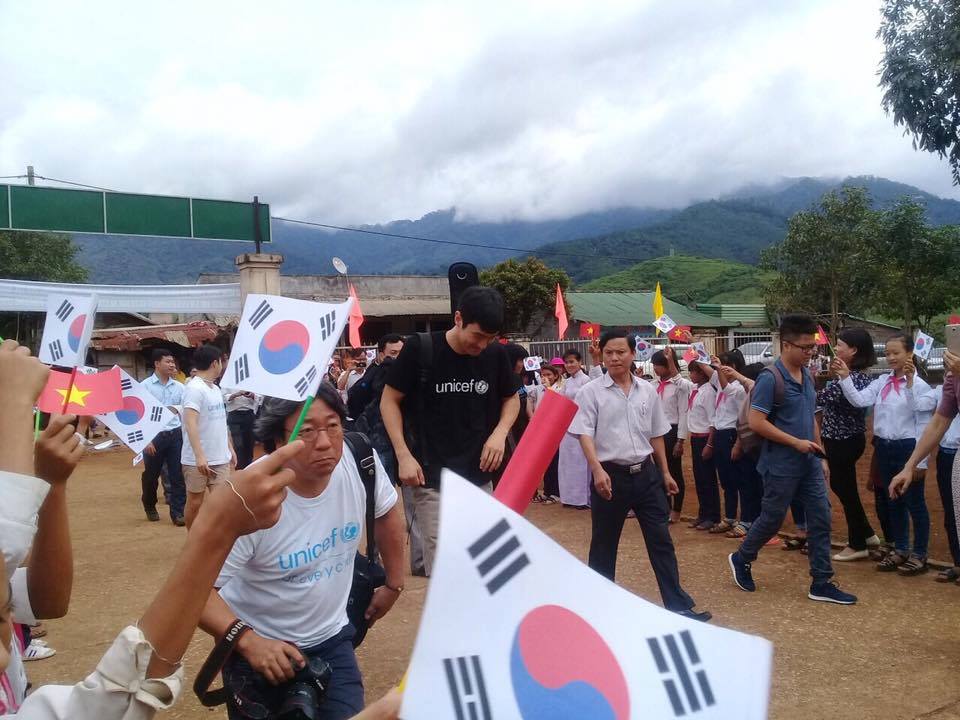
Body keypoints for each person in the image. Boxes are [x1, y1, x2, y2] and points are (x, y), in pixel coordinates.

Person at [200, 383, 404, 720]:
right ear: (277, 442)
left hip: (333, 641)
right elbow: (196, 591)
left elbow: (386, 511)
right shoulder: (250, 499)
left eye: (333, 425)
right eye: (306, 431)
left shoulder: (358, 459)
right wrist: (249, 643)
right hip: (261, 655)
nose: (324, 442)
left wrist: (394, 583)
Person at [569, 330, 711, 621]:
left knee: (661, 541)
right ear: (602, 355)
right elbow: (584, 433)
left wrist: (665, 472)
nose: (614, 358)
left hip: (646, 476)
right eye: (609, 353)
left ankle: (678, 606)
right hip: (610, 477)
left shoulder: (647, 390)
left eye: (620, 352)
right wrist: (596, 469)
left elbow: (656, 433)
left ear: (633, 354)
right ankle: (598, 611)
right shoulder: (591, 392)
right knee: (604, 544)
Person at [380, 286, 520, 577]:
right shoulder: (421, 349)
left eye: (490, 338)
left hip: (479, 477)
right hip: (432, 478)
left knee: (484, 566)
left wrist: (500, 433)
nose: (482, 345)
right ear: (458, 318)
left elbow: (511, 398)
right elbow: (389, 400)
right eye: (477, 336)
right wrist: (403, 454)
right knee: (446, 571)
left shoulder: (494, 354)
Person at [728, 314, 857, 605]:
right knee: (772, 519)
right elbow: (757, 422)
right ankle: (742, 557)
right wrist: (795, 443)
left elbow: (810, 418)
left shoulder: (808, 375)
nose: (811, 352)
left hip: (809, 462)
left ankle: (821, 581)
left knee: (821, 516)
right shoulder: (770, 379)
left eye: (813, 347)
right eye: (805, 347)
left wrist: (820, 454)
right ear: (786, 345)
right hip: (780, 464)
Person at [834, 334, 936, 574]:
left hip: (908, 448)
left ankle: (920, 553)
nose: (890, 357)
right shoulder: (882, 381)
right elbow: (859, 401)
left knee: (915, 503)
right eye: (887, 353)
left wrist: (920, 462)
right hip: (884, 447)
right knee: (894, 500)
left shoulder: (921, 386)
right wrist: (845, 377)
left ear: (909, 354)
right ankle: (900, 548)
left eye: (896, 353)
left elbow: (922, 418)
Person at [815, 328, 881, 560]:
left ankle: (857, 544)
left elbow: (819, 398)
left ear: (853, 350)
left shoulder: (851, 379)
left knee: (846, 489)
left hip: (842, 441)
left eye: (840, 345)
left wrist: (806, 381)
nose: (836, 348)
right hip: (846, 439)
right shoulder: (856, 377)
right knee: (844, 487)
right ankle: (867, 534)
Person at [181, 344, 236, 529]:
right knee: (195, 502)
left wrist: (229, 447)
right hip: (197, 460)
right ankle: (193, 537)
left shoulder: (215, 389)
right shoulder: (194, 388)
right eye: (221, 361)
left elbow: (220, 421)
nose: (223, 365)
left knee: (221, 502)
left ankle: (216, 538)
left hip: (220, 458)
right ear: (215, 363)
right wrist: (199, 456)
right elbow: (190, 422)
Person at [140, 349, 187, 525]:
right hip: (154, 436)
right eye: (167, 362)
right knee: (151, 476)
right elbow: (140, 415)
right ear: (157, 364)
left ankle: (178, 513)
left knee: (177, 475)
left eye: (172, 362)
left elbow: (185, 410)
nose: (172, 365)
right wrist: (146, 440)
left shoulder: (180, 387)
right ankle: (149, 505)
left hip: (175, 434)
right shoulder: (145, 386)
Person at [708, 350, 749, 535]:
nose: (719, 368)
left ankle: (745, 519)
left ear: (733, 367)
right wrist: (694, 343)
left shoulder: (740, 388)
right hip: (720, 433)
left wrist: (738, 443)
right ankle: (730, 517)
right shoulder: (721, 383)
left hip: (732, 434)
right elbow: (706, 367)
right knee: (725, 478)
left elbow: (742, 418)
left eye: (724, 365)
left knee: (740, 478)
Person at [678, 359, 720, 531]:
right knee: (700, 478)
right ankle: (703, 513)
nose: (690, 375)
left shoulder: (709, 392)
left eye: (693, 372)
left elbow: (713, 420)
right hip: (696, 438)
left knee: (708, 478)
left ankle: (712, 516)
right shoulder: (696, 389)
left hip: (705, 438)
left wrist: (709, 444)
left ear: (702, 373)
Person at [650, 349, 689, 524]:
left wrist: (680, 440)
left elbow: (683, 413)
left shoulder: (679, 386)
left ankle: (677, 510)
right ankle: (664, 508)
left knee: (674, 471)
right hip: (656, 432)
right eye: (654, 365)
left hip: (671, 431)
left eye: (658, 365)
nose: (655, 368)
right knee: (659, 472)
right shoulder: (653, 385)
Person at [558, 348, 593, 508]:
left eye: (572, 362)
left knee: (581, 461)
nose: (569, 365)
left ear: (580, 362)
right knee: (567, 462)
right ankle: (568, 497)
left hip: (582, 425)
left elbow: (588, 402)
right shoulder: (567, 382)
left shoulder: (586, 380)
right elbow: (562, 401)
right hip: (567, 426)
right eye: (566, 362)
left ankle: (582, 499)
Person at [347, 334, 403, 422]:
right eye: (393, 353)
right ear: (382, 355)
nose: (399, 357)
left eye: (402, 352)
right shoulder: (373, 376)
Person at [223, 388, 259, 470]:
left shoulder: (252, 381)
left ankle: (248, 467)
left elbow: (260, 397)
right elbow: (224, 398)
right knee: (238, 444)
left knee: (249, 443)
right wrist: (237, 394)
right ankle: (239, 469)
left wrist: (252, 395)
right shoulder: (228, 382)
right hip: (234, 414)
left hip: (249, 413)